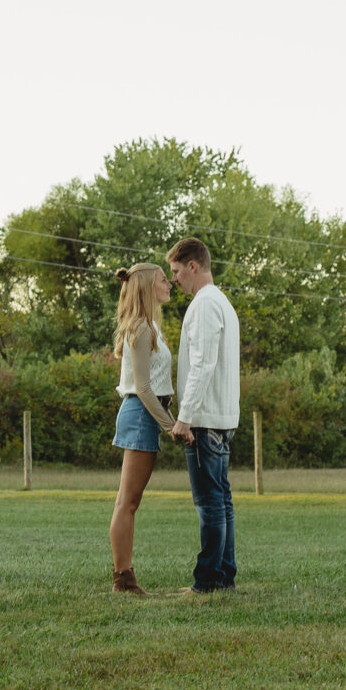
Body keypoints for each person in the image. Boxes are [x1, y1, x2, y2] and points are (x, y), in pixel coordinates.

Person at [166, 238, 241, 592]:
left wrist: (185, 416)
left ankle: (208, 580)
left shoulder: (204, 305)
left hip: (205, 419)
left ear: (193, 266)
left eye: (177, 271)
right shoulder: (222, 303)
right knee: (222, 502)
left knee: (210, 504)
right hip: (221, 418)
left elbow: (203, 363)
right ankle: (223, 575)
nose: (175, 279)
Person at [108, 262, 178, 594]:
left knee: (130, 500)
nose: (170, 284)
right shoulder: (142, 328)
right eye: (165, 280)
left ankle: (123, 575)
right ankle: (123, 578)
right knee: (128, 501)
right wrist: (171, 426)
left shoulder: (151, 326)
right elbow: (144, 388)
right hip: (141, 415)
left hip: (147, 414)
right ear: (149, 286)